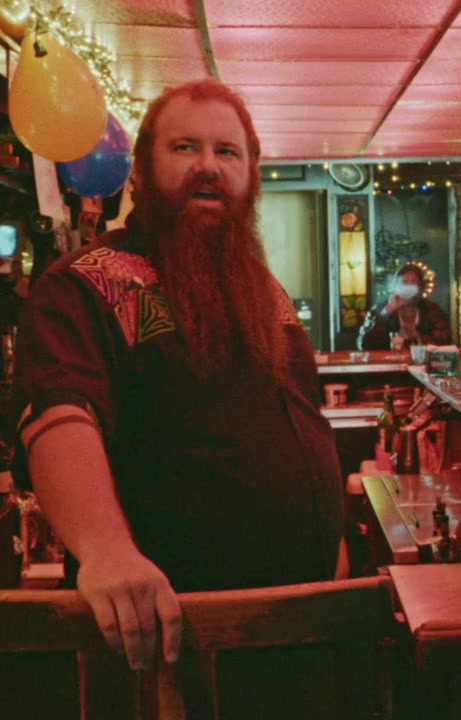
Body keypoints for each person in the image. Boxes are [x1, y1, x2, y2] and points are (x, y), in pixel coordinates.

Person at [9, 80, 345, 672]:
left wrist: (331, 545)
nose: (208, 166)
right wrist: (106, 551)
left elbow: (301, 422)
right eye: (185, 147)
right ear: (141, 168)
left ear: (251, 174)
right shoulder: (84, 283)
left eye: (227, 151)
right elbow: (60, 414)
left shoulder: (261, 290)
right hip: (172, 641)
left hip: (302, 628)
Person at [357, 262, 452, 350]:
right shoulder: (379, 310)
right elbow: (364, 344)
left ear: (421, 288)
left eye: (414, 282)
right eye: (404, 282)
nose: (409, 287)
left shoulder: (433, 310)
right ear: (395, 287)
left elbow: (443, 341)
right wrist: (388, 311)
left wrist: (408, 341)